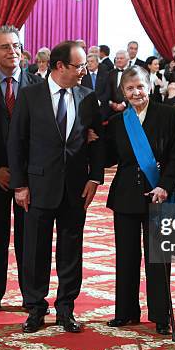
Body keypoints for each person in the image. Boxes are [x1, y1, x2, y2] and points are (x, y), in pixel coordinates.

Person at [7, 40, 105, 334]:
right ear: (60, 66)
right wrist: (19, 185)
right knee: (35, 250)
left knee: (71, 250)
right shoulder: (30, 95)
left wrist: (95, 177)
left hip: (75, 187)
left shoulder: (88, 97)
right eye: (79, 66)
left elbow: (97, 142)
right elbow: (17, 142)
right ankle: (35, 307)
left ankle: (66, 308)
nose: (84, 72)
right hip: (37, 186)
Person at [105, 66, 175, 335]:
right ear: (123, 92)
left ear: (150, 85)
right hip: (125, 196)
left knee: (157, 258)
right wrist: (92, 140)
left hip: (158, 195)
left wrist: (165, 185)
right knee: (126, 257)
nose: (136, 92)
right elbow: (108, 157)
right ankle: (125, 312)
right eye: (130, 88)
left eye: (140, 86)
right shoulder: (117, 122)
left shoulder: (167, 114)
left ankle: (161, 315)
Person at [0, 25, 42, 316]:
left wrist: (22, 173)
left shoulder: (38, 85)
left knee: (30, 239)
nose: (12, 51)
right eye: (4, 47)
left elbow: (43, 135)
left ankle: (31, 296)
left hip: (29, 177)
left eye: (16, 45)